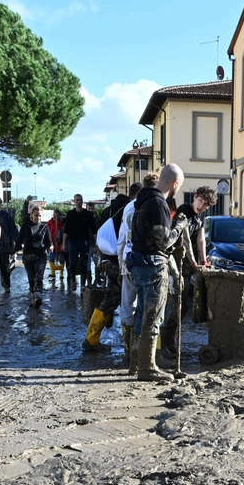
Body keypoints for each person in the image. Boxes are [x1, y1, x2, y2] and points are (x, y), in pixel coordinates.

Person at [127, 163, 183, 382]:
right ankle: (148, 367)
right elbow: (164, 241)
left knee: (141, 314)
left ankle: (135, 363)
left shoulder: (140, 202)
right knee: (153, 316)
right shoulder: (159, 203)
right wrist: (178, 226)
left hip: (138, 264)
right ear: (175, 184)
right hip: (153, 266)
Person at [160, 186, 218, 365]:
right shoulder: (184, 211)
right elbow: (184, 238)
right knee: (178, 305)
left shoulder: (199, 218)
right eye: (201, 201)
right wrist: (194, 261)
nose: (202, 206)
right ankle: (164, 343)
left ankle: (169, 342)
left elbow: (200, 239)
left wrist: (203, 259)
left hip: (187, 267)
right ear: (195, 197)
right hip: (175, 264)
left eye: (206, 205)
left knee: (184, 307)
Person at [83, 187, 133, 352]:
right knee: (127, 302)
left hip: (107, 260)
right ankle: (129, 346)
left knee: (110, 298)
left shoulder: (107, 210)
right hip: (121, 263)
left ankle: (91, 338)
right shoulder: (131, 209)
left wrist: (100, 260)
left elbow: (99, 235)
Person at [116, 179, 152, 364]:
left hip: (129, 259)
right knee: (146, 306)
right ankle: (144, 353)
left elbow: (121, 238)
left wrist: (121, 264)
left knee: (127, 305)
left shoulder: (128, 208)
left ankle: (129, 351)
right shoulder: (152, 205)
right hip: (146, 262)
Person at [19, 200, 50, 307]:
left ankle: (38, 295)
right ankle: (33, 298)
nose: (38, 218)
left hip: (41, 255)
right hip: (28, 255)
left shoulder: (45, 227)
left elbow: (48, 241)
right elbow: (19, 240)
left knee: (39, 275)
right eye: (36, 215)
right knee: (31, 277)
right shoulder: (25, 226)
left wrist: (50, 246)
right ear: (31, 215)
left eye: (40, 216)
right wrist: (13, 252)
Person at [63, 194, 93, 292]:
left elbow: (94, 229)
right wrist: (64, 243)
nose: (79, 201)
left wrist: (97, 242)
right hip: (72, 242)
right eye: (77, 200)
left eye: (81, 200)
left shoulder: (88, 214)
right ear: (74, 201)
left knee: (85, 264)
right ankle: (72, 279)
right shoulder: (70, 214)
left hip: (84, 242)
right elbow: (66, 230)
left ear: (82, 201)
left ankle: (83, 286)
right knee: (73, 262)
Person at [46, 207, 66, 289]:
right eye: (54, 216)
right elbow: (47, 232)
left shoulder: (62, 224)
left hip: (60, 244)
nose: (55, 218)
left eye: (56, 216)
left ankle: (61, 274)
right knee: (51, 258)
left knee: (61, 259)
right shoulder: (49, 223)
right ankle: (53, 272)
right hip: (52, 243)